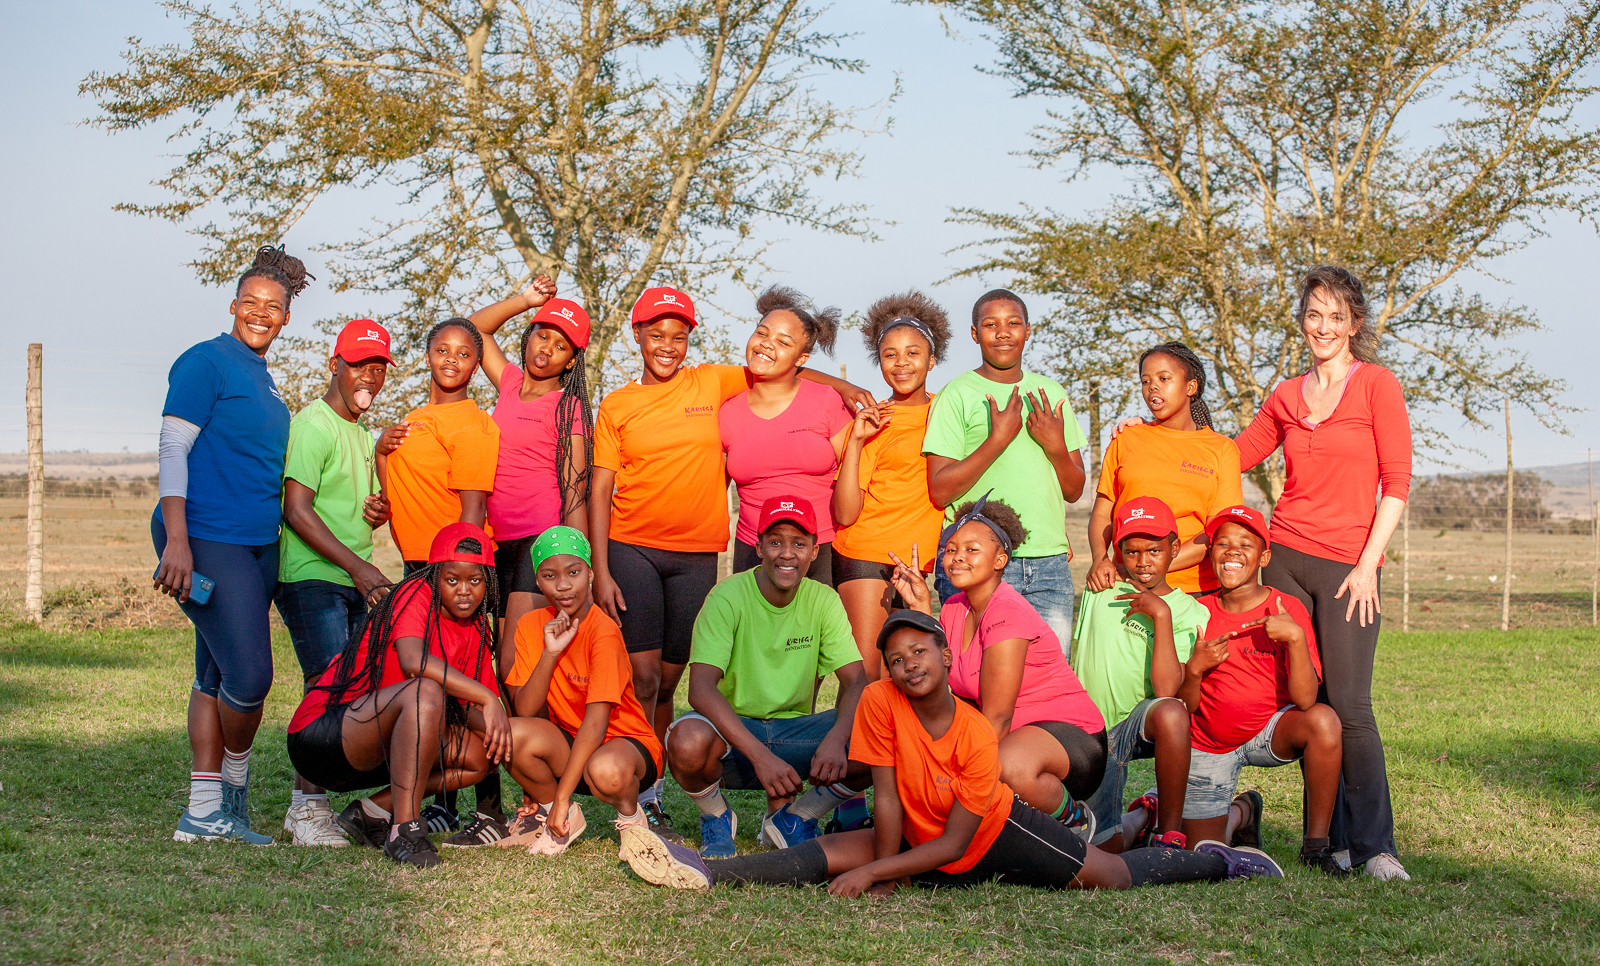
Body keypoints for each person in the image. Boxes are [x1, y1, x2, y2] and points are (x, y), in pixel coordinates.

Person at [617, 609, 1281, 894]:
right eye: (896, 657)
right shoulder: (879, 702)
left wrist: (881, 873)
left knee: (1108, 879)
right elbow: (882, 795)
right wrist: (883, 860)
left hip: (987, 833)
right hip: (915, 829)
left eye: (920, 651)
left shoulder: (971, 732)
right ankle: (707, 875)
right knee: (819, 856)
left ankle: (1215, 862)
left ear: (944, 655)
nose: (908, 664)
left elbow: (961, 838)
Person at [589, 286, 868, 831]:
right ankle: (652, 793)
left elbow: (787, 371)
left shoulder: (713, 380)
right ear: (636, 333)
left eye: (679, 335)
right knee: (646, 679)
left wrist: (846, 385)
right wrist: (599, 568)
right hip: (644, 545)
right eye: (656, 333)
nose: (667, 345)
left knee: (685, 678)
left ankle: (789, 804)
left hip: (702, 550)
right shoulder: (621, 403)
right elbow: (599, 489)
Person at [1233, 266, 1413, 880]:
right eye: (1314, 314)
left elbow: (1398, 481)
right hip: (1284, 557)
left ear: (1355, 324)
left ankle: (1374, 848)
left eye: (1336, 317)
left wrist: (1368, 565)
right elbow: (1227, 456)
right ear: (1302, 319)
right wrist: (1155, 436)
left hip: (1348, 568)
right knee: (1315, 706)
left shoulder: (1376, 386)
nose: (1323, 327)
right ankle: (1326, 841)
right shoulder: (1285, 395)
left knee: (1353, 705)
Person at [155, 245, 312, 845]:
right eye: (250, 302)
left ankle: (204, 813)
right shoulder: (206, 362)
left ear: (286, 317)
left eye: (273, 306)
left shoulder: (265, 381)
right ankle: (234, 790)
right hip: (203, 537)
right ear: (233, 305)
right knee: (249, 677)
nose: (260, 313)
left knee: (213, 673)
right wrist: (177, 541)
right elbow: (173, 448)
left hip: (255, 542)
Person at [286, 522, 510, 868]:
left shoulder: (476, 627)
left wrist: (506, 736)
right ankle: (404, 830)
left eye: (475, 581)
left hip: (381, 750)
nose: (464, 591)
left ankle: (372, 811)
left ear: (489, 583)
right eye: (452, 580)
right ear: (434, 575)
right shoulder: (413, 594)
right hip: (322, 737)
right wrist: (486, 696)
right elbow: (413, 662)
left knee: (477, 756)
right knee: (424, 690)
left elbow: (472, 712)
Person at [665, 496, 871, 858]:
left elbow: (856, 679)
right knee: (686, 740)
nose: (786, 554)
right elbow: (699, 690)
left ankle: (797, 816)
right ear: (758, 547)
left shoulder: (823, 599)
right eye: (775, 542)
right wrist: (761, 757)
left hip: (793, 734)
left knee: (882, 730)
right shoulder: (727, 596)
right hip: (734, 736)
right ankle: (716, 815)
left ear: (814, 551)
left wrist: (837, 739)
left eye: (798, 543)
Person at [891, 495, 1106, 840]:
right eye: (951, 549)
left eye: (972, 549)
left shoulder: (1006, 612)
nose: (958, 556)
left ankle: (1075, 819)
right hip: (1011, 737)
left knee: (1006, 765)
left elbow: (997, 719)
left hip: (1070, 738)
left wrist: (948, 776)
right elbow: (936, 683)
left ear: (1000, 560)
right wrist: (919, 607)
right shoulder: (953, 609)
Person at [377, 316, 505, 839]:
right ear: (427, 354)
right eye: (442, 350)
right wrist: (380, 451)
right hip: (420, 565)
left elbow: (472, 511)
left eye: (464, 353)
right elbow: (394, 494)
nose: (451, 360)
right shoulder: (416, 418)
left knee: (471, 681)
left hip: (454, 569)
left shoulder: (472, 424)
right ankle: (438, 804)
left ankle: (489, 808)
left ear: (477, 365)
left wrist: (460, 580)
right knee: (429, 688)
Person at [274, 318, 398, 847]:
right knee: (326, 689)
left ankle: (320, 801)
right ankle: (307, 810)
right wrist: (359, 566)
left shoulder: (362, 434)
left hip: (351, 577)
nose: (369, 376)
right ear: (335, 365)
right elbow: (297, 511)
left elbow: (359, 510)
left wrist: (378, 509)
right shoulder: (314, 425)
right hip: (313, 578)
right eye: (359, 366)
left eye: (378, 368)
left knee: (351, 688)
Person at [1175, 505, 1347, 876]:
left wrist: (1296, 638)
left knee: (1323, 721)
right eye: (1222, 543)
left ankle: (1316, 848)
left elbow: (1305, 700)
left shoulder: (1287, 609)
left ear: (1264, 556)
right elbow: (1184, 705)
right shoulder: (1196, 612)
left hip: (1269, 732)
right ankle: (1244, 811)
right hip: (1210, 741)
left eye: (1245, 544)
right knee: (1203, 855)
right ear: (1212, 554)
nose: (1232, 551)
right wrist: (1194, 669)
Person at [923, 289, 1087, 651]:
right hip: (978, 560)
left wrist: (1056, 447)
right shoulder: (957, 394)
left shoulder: (1050, 392)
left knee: (1046, 681)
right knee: (976, 681)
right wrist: (996, 440)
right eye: (990, 324)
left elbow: (1074, 489)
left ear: (1028, 330)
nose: (1002, 332)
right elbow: (940, 490)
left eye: (1013, 323)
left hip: (1048, 564)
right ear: (974, 333)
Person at [499, 527, 665, 856]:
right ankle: (561, 817)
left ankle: (631, 819)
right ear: (537, 580)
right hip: (573, 743)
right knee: (510, 734)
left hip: (625, 747)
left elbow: (597, 721)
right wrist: (549, 653)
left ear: (590, 573)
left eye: (573, 572)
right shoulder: (532, 624)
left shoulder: (602, 630)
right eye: (550, 575)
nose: (563, 585)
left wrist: (563, 793)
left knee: (605, 770)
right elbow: (526, 710)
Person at [467, 278, 594, 670]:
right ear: (528, 338)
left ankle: (533, 733)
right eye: (542, 337)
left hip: (539, 542)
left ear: (571, 361)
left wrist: (579, 566)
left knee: (513, 659)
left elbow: (576, 492)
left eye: (561, 347)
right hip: (498, 541)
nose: (547, 350)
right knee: (500, 658)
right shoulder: (508, 383)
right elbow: (474, 329)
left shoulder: (568, 407)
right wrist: (526, 300)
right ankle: (518, 731)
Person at [1072, 497, 1208, 852]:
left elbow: (1168, 690)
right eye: (1132, 552)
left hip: (1138, 724)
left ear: (1174, 548)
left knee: (1172, 712)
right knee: (1105, 850)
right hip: (1088, 734)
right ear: (1118, 551)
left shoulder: (1189, 611)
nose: (1143, 562)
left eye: (1153, 551)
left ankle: (1168, 834)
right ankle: (1143, 817)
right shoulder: (1100, 588)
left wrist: (1160, 615)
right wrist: (1101, 562)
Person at [831, 291, 952, 679]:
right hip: (867, 555)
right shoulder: (874, 420)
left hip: (918, 564)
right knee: (867, 680)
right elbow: (846, 512)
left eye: (913, 353)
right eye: (890, 354)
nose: (902, 363)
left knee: (904, 682)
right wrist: (855, 440)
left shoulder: (949, 412)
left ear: (932, 360)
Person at [1086, 342, 1243, 596]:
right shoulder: (1125, 438)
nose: (1153, 387)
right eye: (1145, 381)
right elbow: (1103, 515)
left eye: (1164, 378)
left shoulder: (1222, 449)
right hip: (1125, 585)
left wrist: (1147, 567)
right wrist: (1099, 558)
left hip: (1194, 590)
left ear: (1191, 387)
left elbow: (1216, 532)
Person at [722, 286, 855, 583]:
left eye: (784, 342)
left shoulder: (827, 401)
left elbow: (858, 473)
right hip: (752, 549)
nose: (767, 345)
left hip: (821, 548)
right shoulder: (727, 411)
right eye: (762, 333)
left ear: (801, 358)